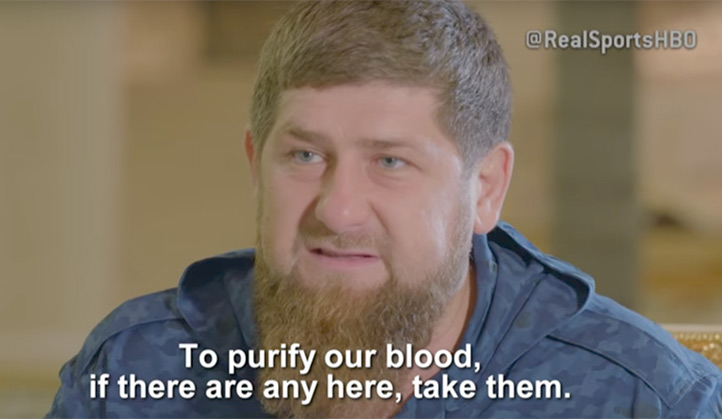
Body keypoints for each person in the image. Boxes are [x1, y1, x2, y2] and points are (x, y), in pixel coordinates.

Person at [48, 1, 722, 417]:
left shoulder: (648, 399)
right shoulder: (135, 371)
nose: (339, 210)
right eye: (305, 155)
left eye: (391, 162)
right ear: (256, 163)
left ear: (486, 188)